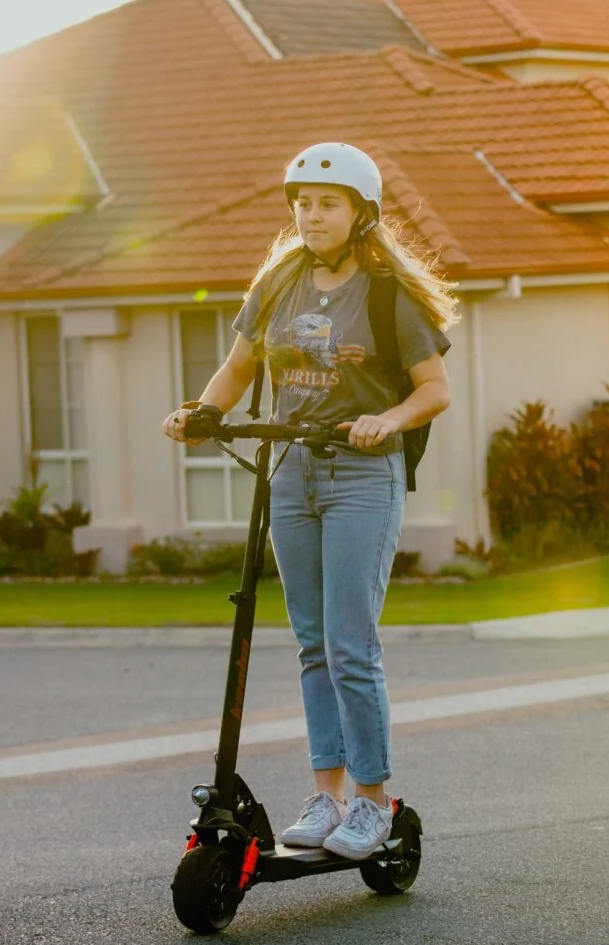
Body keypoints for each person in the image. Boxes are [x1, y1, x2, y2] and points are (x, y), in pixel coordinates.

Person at [163, 142, 459, 860]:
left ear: (361, 213)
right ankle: (327, 797)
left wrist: (387, 419)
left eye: (328, 203)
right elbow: (238, 368)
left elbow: (434, 390)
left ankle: (372, 802)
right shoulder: (279, 280)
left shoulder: (386, 294)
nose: (311, 214)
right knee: (312, 645)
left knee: (350, 645)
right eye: (302, 203)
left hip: (362, 475)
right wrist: (202, 412)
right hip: (291, 473)